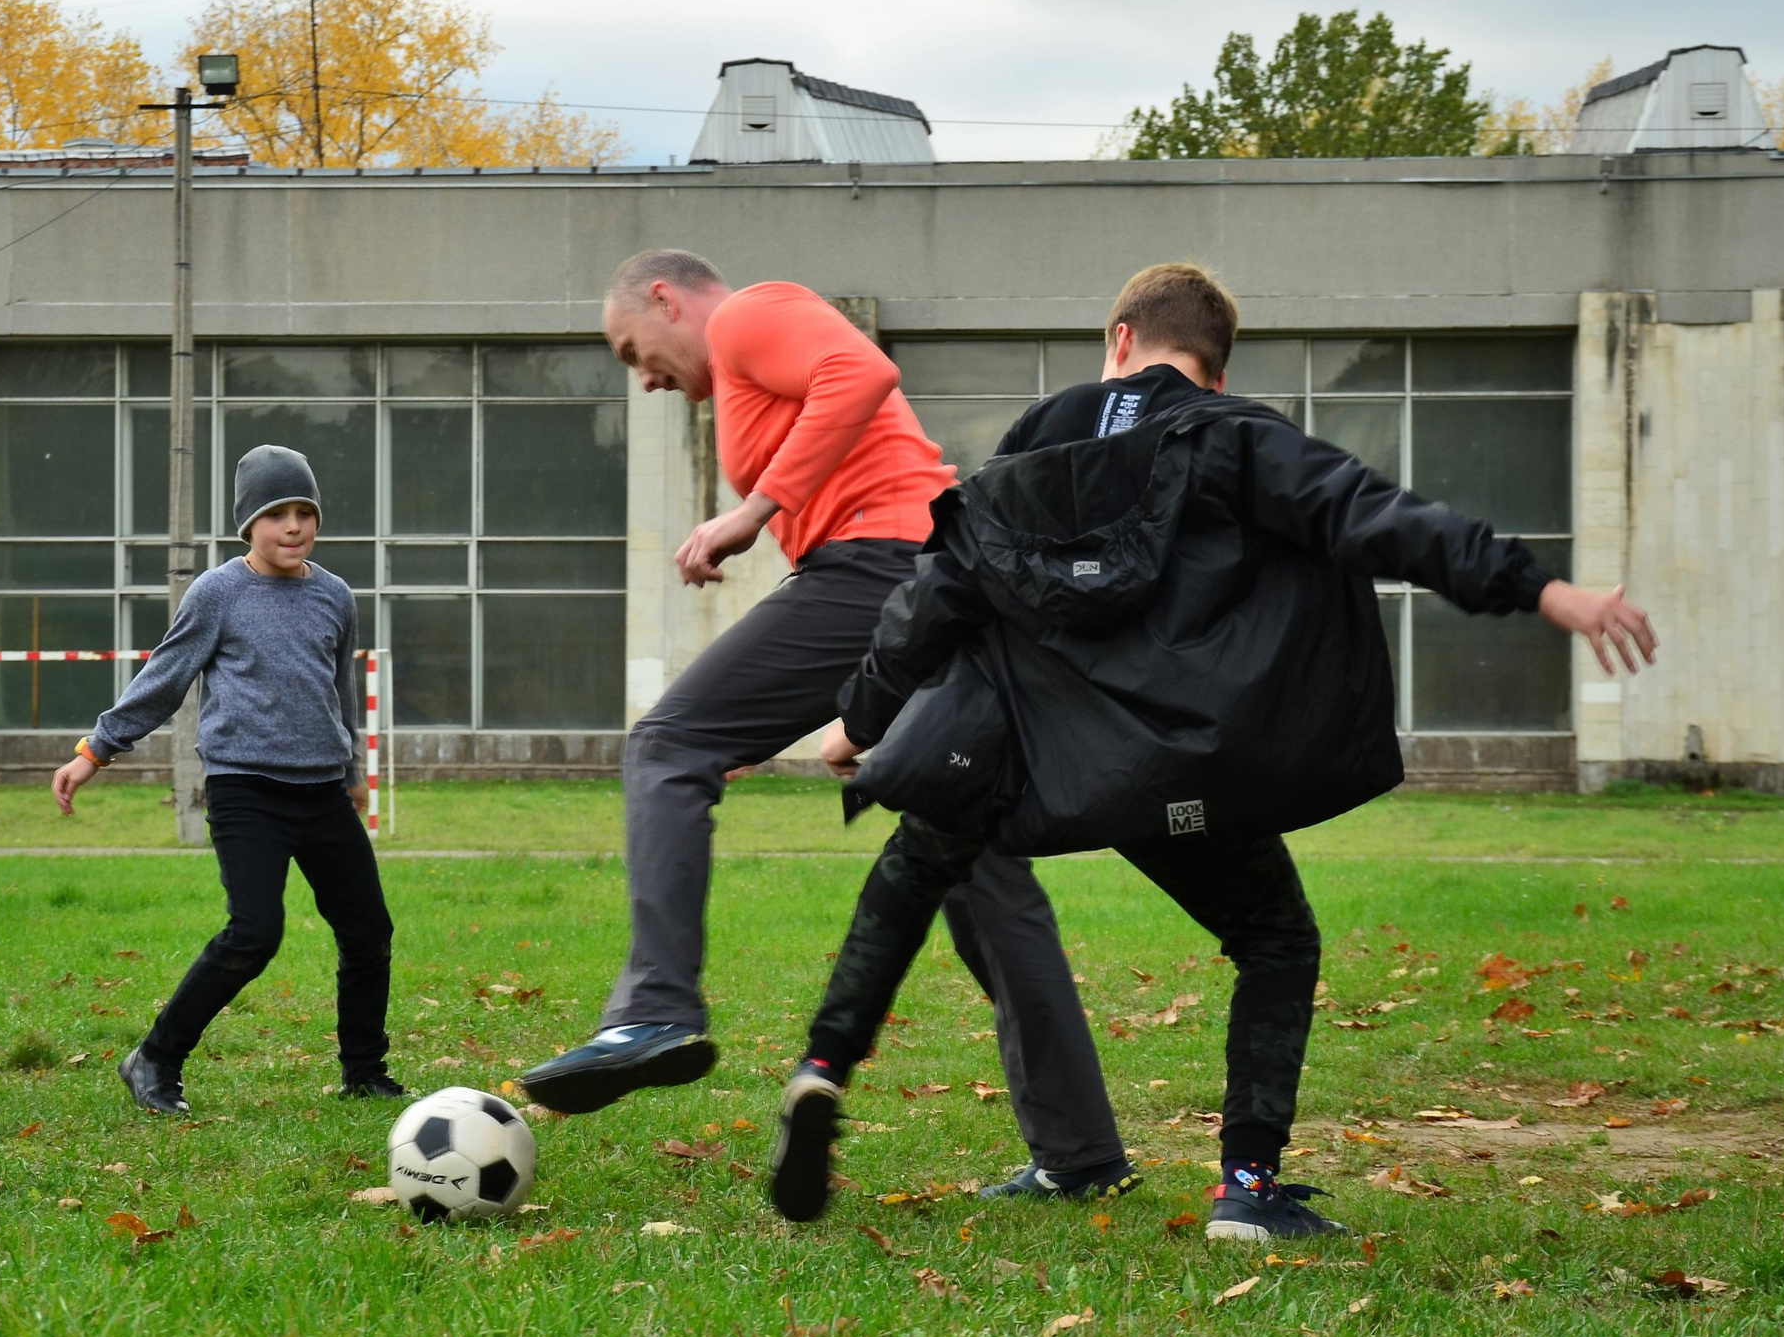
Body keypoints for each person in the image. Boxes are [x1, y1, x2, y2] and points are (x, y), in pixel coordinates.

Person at [767, 264, 1657, 1241]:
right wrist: (1542, 590)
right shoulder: (1236, 438)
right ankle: (1245, 1185)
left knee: (913, 861)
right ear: (1215, 372)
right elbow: (1376, 518)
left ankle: (820, 1070)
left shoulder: (1041, 436)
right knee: (1275, 937)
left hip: (1033, 757)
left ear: (1117, 341)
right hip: (1173, 771)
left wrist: (860, 718)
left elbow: (942, 587)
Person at [517, 250, 1140, 1203]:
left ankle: (654, 1011)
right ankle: (1081, 1153)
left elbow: (863, 372)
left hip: (880, 569)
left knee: (670, 743)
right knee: (973, 867)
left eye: (629, 349)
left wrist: (753, 509)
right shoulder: (735, 363)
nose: (641, 375)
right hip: (923, 574)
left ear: (663, 298)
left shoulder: (746, 315)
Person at [53, 444, 403, 1116]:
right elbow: (166, 677)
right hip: (246, 789)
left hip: (322, 791)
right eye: (278, 514)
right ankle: (154, 1058)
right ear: (248, 524)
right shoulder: (218, 593)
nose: (295, 526)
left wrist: (353, 769)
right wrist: (94, 751)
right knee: (254, 933)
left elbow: (341, 690)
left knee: (368, 931)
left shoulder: (334, 596)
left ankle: (364, 1071)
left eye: (306, 513)